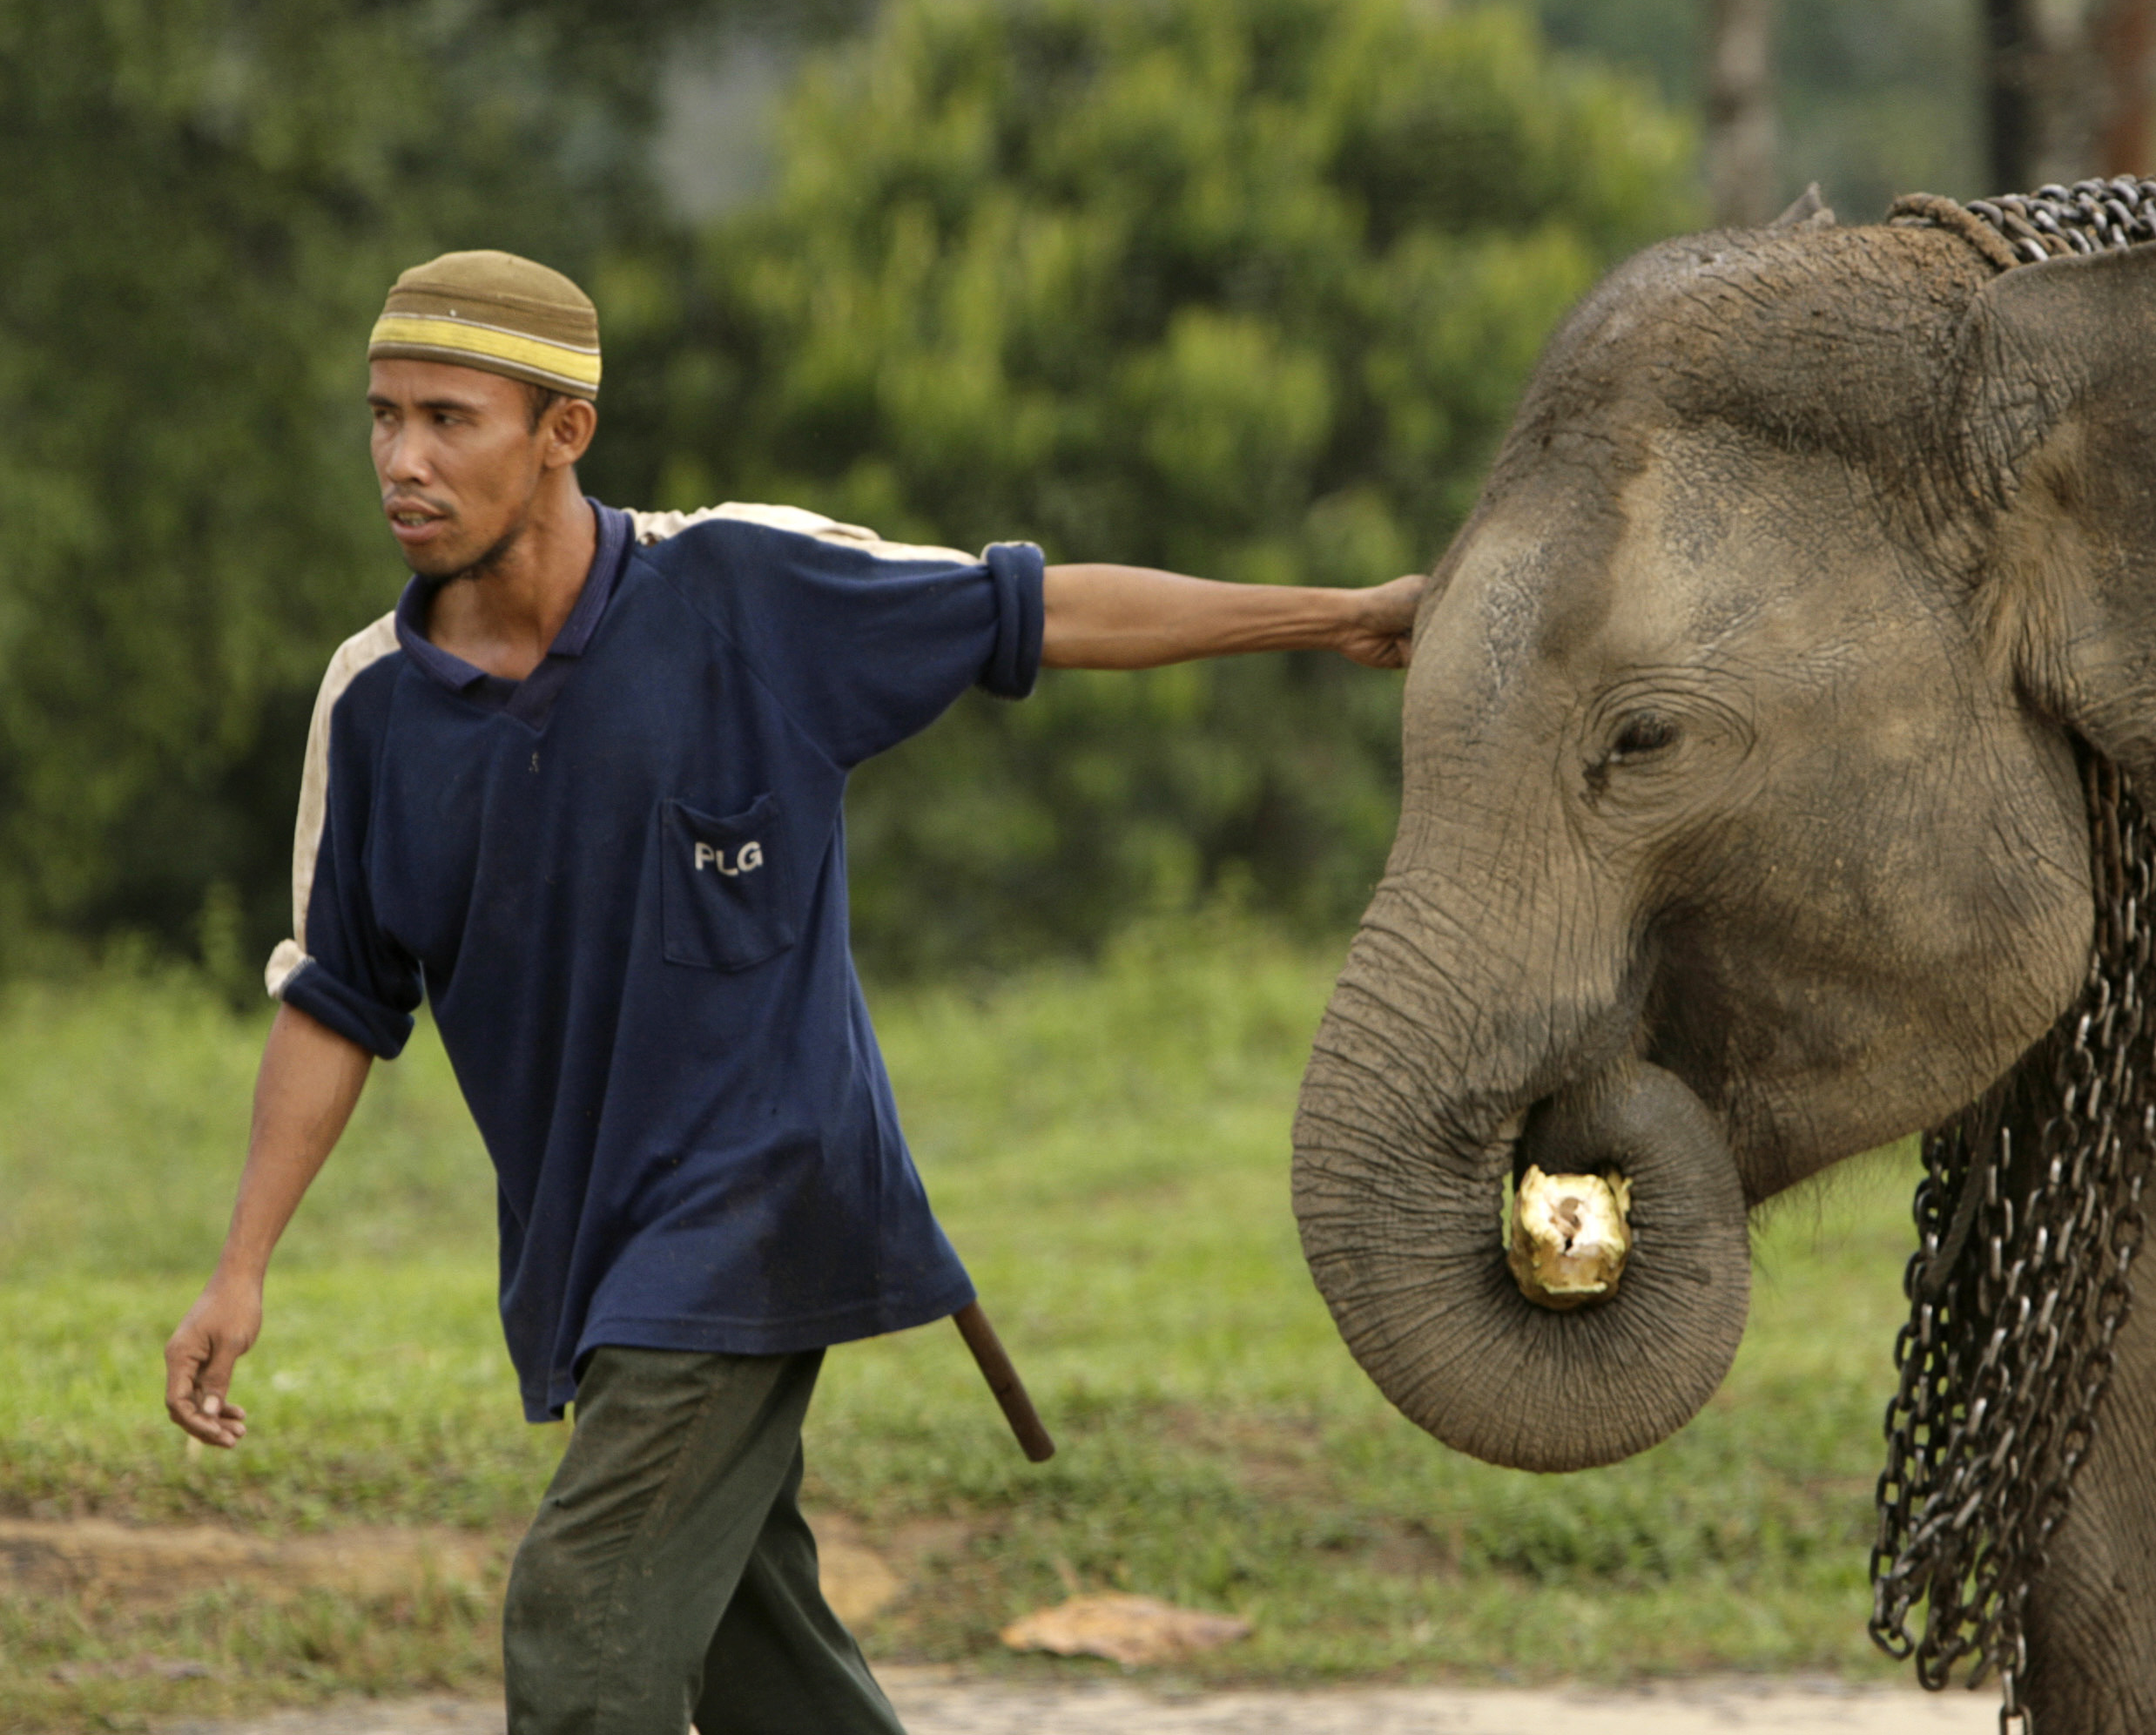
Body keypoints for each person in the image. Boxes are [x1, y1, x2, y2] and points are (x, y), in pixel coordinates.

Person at [161, 250, 1425, 1733]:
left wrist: (1338, 615)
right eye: (384, 418)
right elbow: (339, 1002)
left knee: (584, 1631)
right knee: (771, 1669)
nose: (403, 460)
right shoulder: (371, 703)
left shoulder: (747, 590)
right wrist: (240, 1267)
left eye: (451, 419)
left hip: (764, 1205)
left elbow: (1036, 612)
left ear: (563, 432)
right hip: (588, 1240)